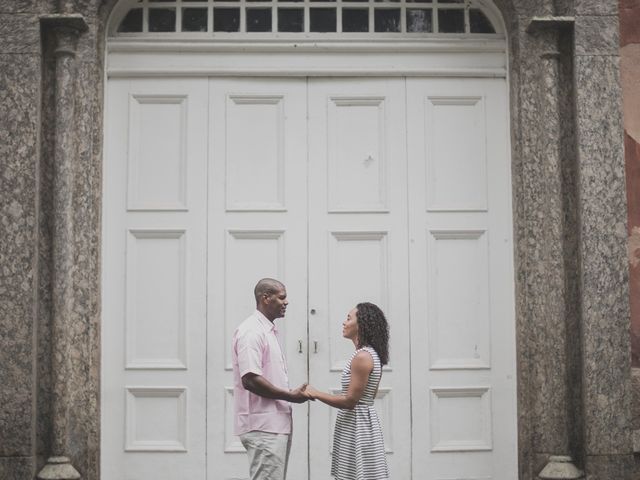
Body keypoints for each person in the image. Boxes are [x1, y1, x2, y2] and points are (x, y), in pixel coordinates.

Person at [232, 278, 309, 480]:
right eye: (282, 297)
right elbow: (250, 379)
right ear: (265, 298)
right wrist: (290, 396)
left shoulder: (267, 331)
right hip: (263, 427)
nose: (286, 302)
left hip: (274, 425)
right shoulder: (251, 332)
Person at [304, 302, 390, 480]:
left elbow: (350, 402)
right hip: (359, 423)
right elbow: (368, 397)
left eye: (349, 318)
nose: (344, 323)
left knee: (357, 475)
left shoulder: (362, 356)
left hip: (358, 427)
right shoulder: (370, 354)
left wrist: (315, 392)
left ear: (362, 325)